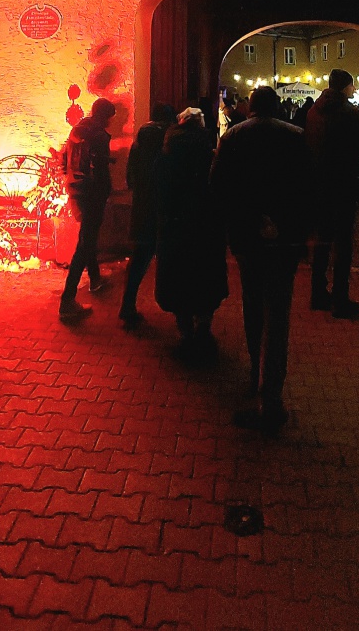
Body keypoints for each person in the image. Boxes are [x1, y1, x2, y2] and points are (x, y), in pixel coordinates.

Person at [210, 86, 311, 433]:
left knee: (253, 303)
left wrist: (240, 220)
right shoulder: (297, 137)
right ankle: (272, 392)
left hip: (247, 235)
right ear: (278, 107)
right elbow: (310, 187)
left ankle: (257, 371)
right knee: (279, 311)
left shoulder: (234, 136)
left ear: (250, 108)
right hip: (286, 237)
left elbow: (218, 185)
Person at [153, 107, 227, 354]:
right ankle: (203, 327)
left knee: (178, 277)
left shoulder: (167, 151)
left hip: (175, 224)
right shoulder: (209, 151)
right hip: (205, 225)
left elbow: (159, 189)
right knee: (205, 276)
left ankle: (184, 329)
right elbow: (219, 187)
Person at [305, 68, 359, 319]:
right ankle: (339, 298)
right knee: (343, 243)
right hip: (343, 183)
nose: (354, 90)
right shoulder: (350, 113)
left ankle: (317, 292)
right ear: (345, 87)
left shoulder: (314, 112)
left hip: (318, 184)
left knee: (321, 240)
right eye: (352, 86)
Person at [58, 98, 116, 322]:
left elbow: (65, 158)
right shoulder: (99, 135)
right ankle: (67, 299)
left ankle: (95, 278)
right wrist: (104, 187)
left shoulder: (77, 130)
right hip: (92, 191)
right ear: (104, 116)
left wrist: (72, 179)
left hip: (75, 187)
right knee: (85, 243)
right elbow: (96, 166)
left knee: (87, 237)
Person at [118, 103, 174, 327]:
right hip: (164, 207)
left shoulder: (139, 141)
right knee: (169, 258)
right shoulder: (168, 141)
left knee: (139, 258)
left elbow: (130, 177)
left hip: (143, 205)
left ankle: (127, 304)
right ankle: (176, 309)